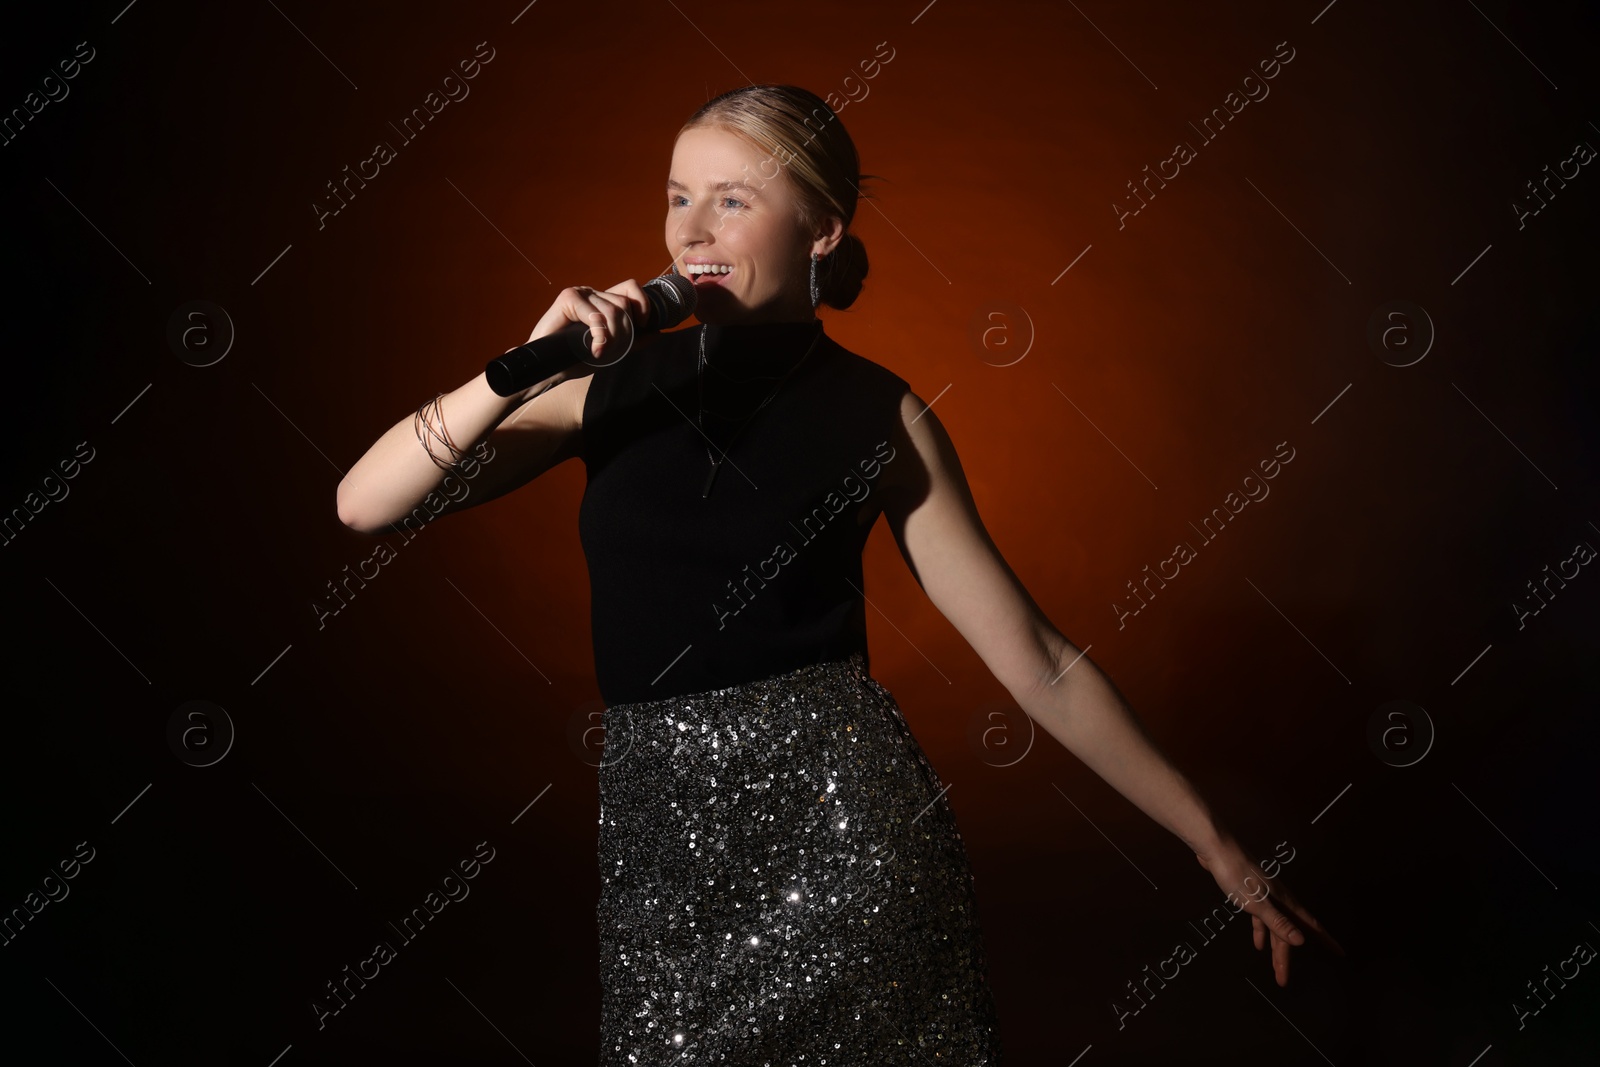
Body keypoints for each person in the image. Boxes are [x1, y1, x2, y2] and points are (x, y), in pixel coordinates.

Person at [337, 83, 1340, 1064]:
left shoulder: (879, 413)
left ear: (820, 228)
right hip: (664, 861)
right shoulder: (604, 388)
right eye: (679, 196)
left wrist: (1216, 845)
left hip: (852, 847)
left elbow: (1037, 660)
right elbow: (366, 503)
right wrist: (522, 361)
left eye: (732, 199)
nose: (692, 230)